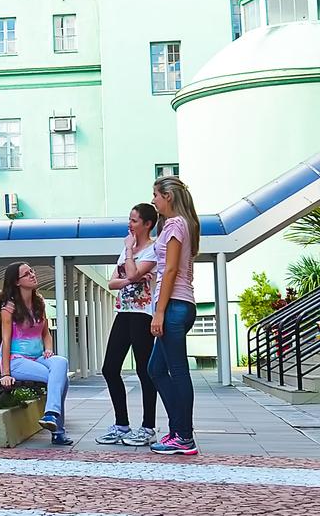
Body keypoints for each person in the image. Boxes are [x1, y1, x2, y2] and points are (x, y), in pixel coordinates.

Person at [96, 203, 160, 447]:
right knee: (109, 368)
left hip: (143, 314)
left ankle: (147, 427)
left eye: (134, 220)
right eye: (129, 219)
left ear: (147, 224)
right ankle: (121, 423)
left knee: (145, 371)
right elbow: (113, 282)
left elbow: (133, 274)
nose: (130, 224)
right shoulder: (127, 251)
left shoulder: (153, 250)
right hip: (123, 312)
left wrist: (130, 254)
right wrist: (128, 276)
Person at [148, 176, 201, 456]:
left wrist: (159, 312)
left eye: (155, 195)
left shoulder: (174, 224)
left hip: (174, 307)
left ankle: (184, 437)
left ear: (167, 196)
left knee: (178, 371)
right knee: (155, 369)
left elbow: (168, 271)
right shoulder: (182, 224)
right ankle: (178, 430)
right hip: (180, 305)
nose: (153, 200)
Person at [0, 262, 72, 446]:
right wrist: (5, 373)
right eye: (27, 273)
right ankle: (58, 431)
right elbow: (6, 340)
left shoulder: (39, 302)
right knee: (61, 378)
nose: (32, 274)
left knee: (60, 362)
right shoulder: (9, 307)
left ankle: (51, 415)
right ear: (17, 282)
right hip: (16, 359)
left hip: (38, 357)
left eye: (32, 270)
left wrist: (48, 348)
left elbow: (46, 333)